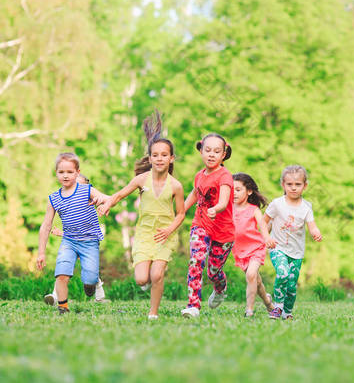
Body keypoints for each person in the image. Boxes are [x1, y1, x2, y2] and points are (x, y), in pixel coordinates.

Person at [99, 111, 185, 320]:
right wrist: (108, 202)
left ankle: (153, 312)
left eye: (164, 155)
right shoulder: (141, 179)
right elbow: (120, 194)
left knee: (157, 275)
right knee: (141, 279)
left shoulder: (176, 186)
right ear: (149, 158)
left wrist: (170, 230)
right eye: (155, 155)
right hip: (144, 234)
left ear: (171, 158)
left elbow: (181, 213)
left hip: (165, 235)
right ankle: (149, 286)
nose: (159, 159)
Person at [36, 153, 107, 314]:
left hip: (90, 242)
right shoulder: (54, 198)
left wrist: (104, 204)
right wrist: (41, 252)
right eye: (61, 172)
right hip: (68, 241)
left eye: (70, 172)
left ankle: (90, 285)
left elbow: (104, 198)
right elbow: (46, 226)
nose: (65, 175)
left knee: (90, 278)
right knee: (61, 274)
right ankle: (63, 307)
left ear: (77, 172)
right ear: (56, 173)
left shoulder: (87, 189)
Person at [181, 133, 235, 318]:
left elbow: (224, 200)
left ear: (223, 154)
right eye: (208, 150)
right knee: (196, 260)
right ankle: (193, 305)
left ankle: (220, 288)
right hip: (201, 224)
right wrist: (180, 211)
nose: (211, 154)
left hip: (223, 231)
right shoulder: (199, 176)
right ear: (201, 151)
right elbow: (195, 195)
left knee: (213, 271)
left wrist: (217, 208)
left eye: (216, 151)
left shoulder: (225, 176)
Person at [265, 165, 322, 320]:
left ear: (305, 186)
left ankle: (287, 311)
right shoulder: (277, 204)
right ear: (283, 185)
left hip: (296, 252)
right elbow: (263, 222)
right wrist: (266, 237)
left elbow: (312, 226)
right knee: (282, 274)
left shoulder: (306, 207)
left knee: (291, 285)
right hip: (278, 247)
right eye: (289, 184)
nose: (294, 188)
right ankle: (277, 307)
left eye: (298, 184)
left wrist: (315, 232)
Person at [232, 172, 274, 317]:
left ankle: (249, 309)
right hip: (240, 251)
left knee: (251, 275)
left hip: (255, 248)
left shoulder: (253, 210)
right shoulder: (228, 209)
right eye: (232, 190)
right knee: (256, 280)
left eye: (238, 190)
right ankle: (268, 303)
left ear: (249, 191)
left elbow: (262, 227)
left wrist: (267, 238)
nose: (234, 193)